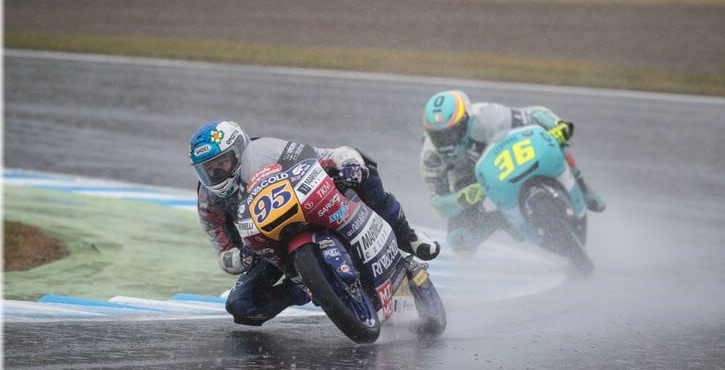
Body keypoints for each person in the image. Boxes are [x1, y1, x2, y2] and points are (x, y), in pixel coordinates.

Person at [189, 120, 439, 326]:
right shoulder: (209, 201)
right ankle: (306, 288)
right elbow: (223, 252)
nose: (216, 173)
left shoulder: (264, 151)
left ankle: (406, 234)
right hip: (267, 244)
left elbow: (319, 155)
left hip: (309, 203)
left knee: (363, 166)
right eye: (209, 169)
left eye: (222, 163)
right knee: (240, 306)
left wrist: (346, 163)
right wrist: (242, 258)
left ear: (239, 150)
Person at [420, 90, 605, 254]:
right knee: (459, 242)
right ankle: (501, 221)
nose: (447, 141)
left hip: (506, 154)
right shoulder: (430, 156)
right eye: (438, 136)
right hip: (468, 180)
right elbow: (439, 204)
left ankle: (584, 189)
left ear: (466, 120)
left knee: (558, 139)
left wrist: (555, 126)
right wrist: (463, 197)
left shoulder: (487, 116)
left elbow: (533, 114)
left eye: (452, 132)